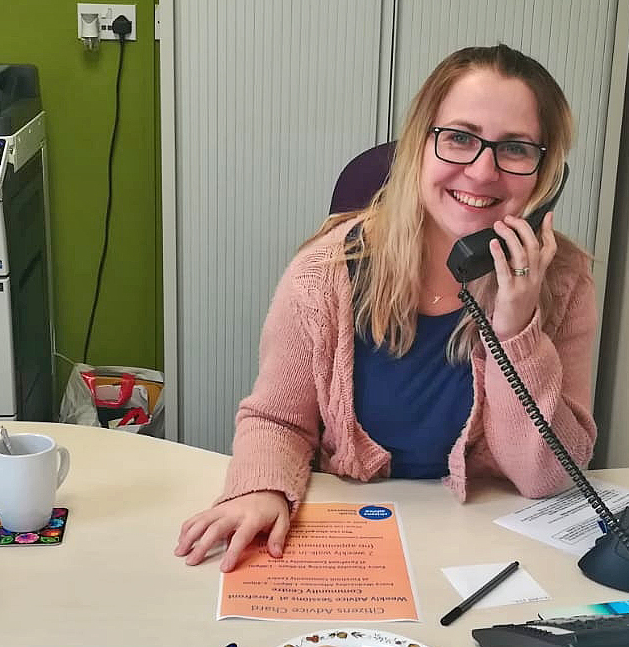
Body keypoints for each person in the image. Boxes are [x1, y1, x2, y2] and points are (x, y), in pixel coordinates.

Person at [175, 43, 598, 572]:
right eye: (460, 138)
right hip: (350, 541)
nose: (482, 171)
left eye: (514, 148)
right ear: (420, 144)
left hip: (487, 553)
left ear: (547, 173)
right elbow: (276, 419)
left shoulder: (563, 281)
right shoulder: (326, 270)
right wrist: (262, 488)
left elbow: (546, 477)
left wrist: (517, 328)